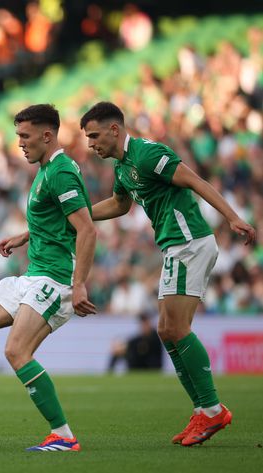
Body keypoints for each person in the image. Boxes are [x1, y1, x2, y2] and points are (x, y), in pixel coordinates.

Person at [80, 101, 256, 447]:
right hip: (174, 246)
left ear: (114, 129)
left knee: (176, 328)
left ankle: (213, 409)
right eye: (88, 138)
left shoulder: (146, 154)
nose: (91, 144)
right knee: (165, 330)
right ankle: (204, 410)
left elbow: (193, 180)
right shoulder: (122, 168)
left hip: (188, 241)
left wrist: (232, 216)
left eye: (95, 135)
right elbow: (119, 205)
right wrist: (79, 214)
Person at [0, 104, 97, 452]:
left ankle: (64, 435)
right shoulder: (47, 170)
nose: (20, 144)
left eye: (25, 136)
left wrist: (79, 284)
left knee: (17, 351)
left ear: (47, 135)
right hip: (33, 275)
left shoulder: (60, 173)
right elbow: (58, 219)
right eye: (18, 137)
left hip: (55, 280)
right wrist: (25, 235)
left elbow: (86, 229)